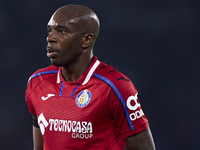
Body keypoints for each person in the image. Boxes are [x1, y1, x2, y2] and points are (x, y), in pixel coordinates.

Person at [25, 4, 156, 150]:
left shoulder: (115, 87)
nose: (50, 38)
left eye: (61, 31)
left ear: (86, 40)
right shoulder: (37, 83)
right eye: (50, 31)